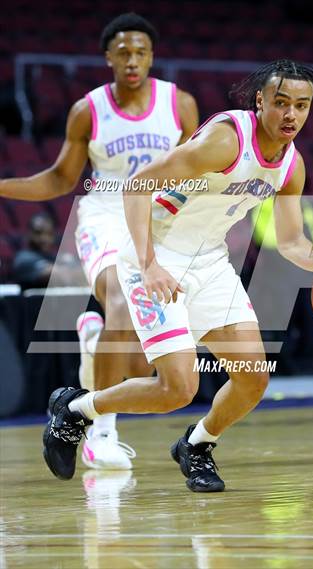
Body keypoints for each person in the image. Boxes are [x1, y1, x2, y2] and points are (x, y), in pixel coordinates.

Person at [42, 60, 313, 491]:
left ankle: (196, 445)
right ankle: (75, 411)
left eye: (302, 106)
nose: (291, 114)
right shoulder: (226, 141)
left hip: (210, 261)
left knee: (253, 377)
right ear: (261, 101)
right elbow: (138, 185)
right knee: (177, 388)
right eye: (281, 103)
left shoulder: (292, 166)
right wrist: (148, 264)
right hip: (154, 253)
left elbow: (290, 242)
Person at [0, 13, 199, 469]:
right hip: (105, 213)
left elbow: (197, 171)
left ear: (152, 57)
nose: (132, 60)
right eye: (123, 52)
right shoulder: (88, 110)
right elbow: (57, 179)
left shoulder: (180, 104)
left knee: (141, 369)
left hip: (159, 220)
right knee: (121, 305)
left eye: (141, 52)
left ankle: (92, 343)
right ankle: (101, 435)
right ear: (108, 57)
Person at [12, 212, 82, 290]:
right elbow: (56, 276)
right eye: (38, 233)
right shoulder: (22, 259)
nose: (44, 238)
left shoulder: (57, 257)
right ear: (28, 234)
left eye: (49, 234)